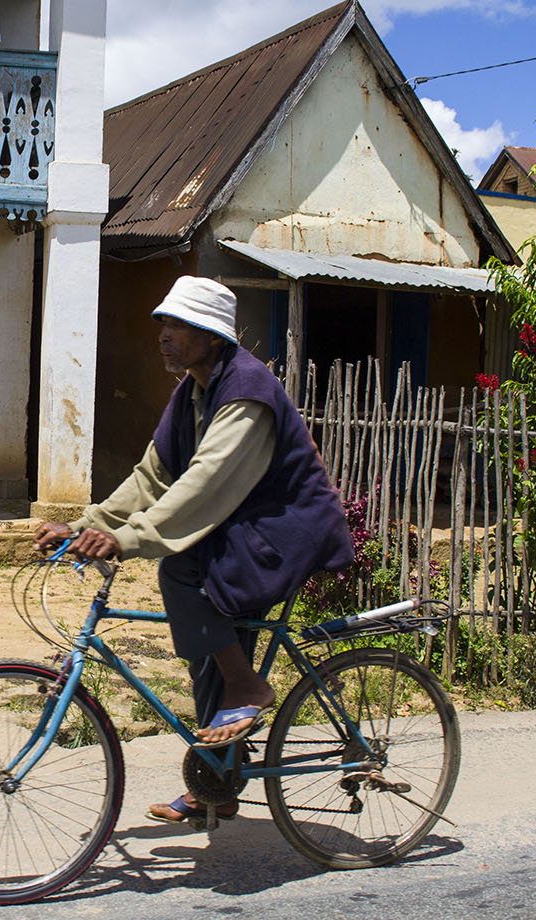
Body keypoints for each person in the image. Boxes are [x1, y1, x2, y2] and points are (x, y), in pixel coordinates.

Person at [34, 275, 353, 825]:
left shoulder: (246, 393)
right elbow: (151, 478)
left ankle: (249, 686)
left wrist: (126, 539)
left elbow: (204, 482)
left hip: (285, 528)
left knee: (184, 571)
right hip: (240, 525)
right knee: (207, 649)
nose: (164, 335)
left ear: (214, 338)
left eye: (180, 325)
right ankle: (217, 781)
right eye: (163, 323)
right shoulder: (192, 393)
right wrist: (83, 524)